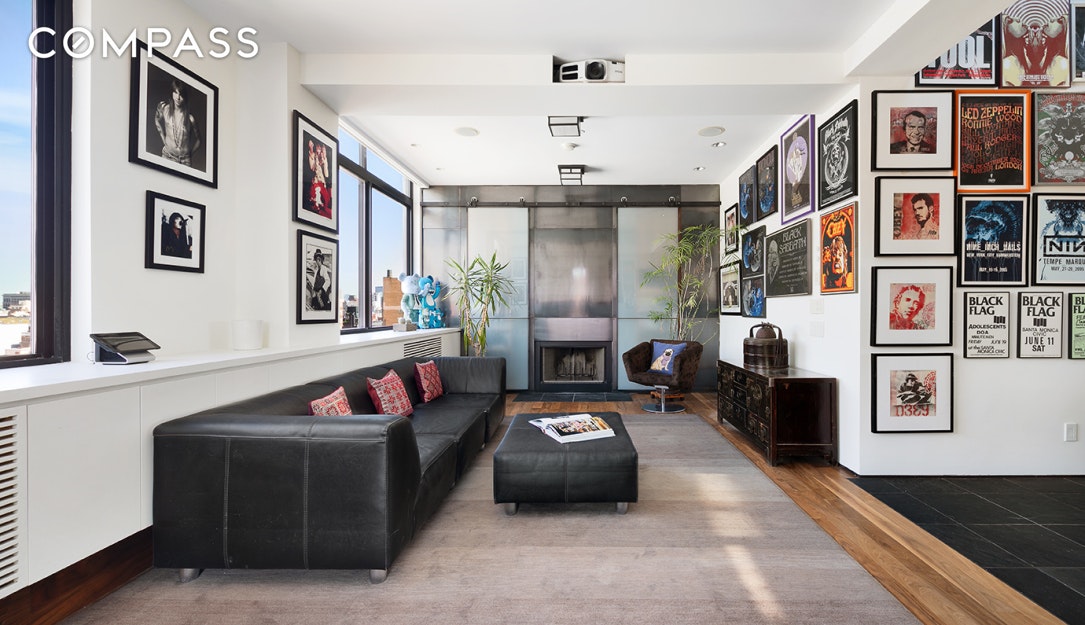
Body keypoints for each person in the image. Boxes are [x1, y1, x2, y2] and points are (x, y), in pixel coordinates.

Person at [154, 78, 201, 166]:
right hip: (168, 155)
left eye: (181, 94)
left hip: (184, 161)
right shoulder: (164, 108)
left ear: (185, 97)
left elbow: (199, 140)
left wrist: (189, 155)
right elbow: (157, 120)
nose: (178, 98)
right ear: (172, 93)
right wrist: (163, 138)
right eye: (175, 92)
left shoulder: (190, 119)